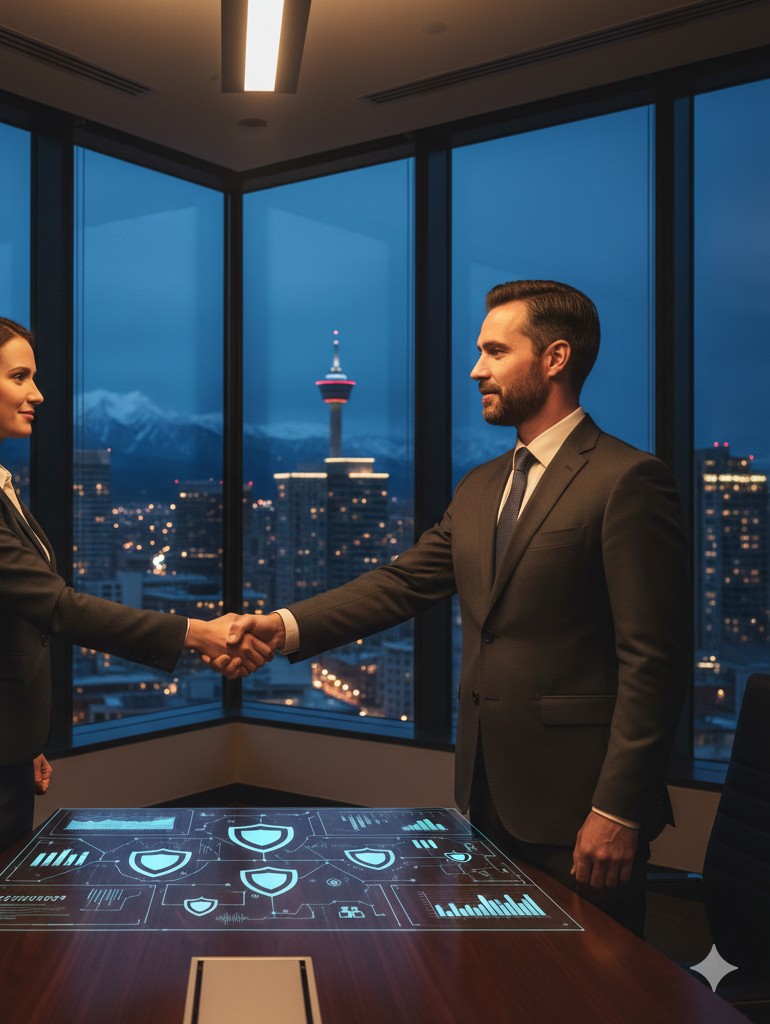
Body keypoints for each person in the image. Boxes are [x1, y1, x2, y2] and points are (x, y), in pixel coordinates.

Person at [224, 280, 689, 937]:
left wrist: (618, 809)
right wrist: (280, 627)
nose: (476, 369)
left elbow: (655, 662)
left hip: (580, 809)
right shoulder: (480, 488)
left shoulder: (627, 479)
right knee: (493, 981)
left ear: (555, 359)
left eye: (495, 351)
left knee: (590, 992)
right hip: (486, 797)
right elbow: (400, 584)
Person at [0, 311, 270, 914]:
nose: (37, 394)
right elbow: (55, 607)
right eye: (19, 377)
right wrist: (196, 632)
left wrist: (20, 736)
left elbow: (6, 629)